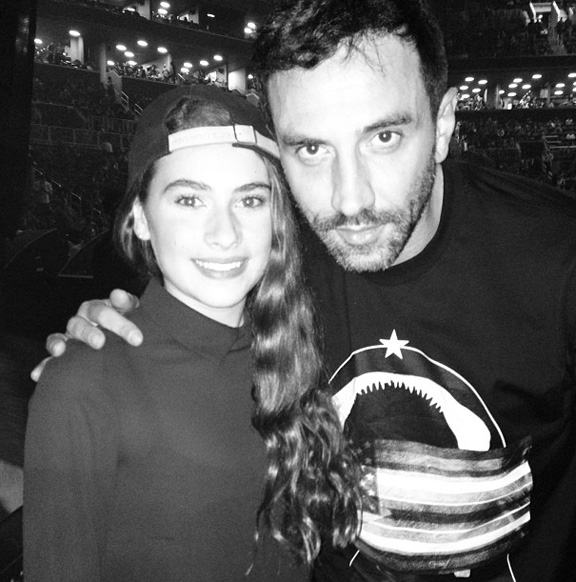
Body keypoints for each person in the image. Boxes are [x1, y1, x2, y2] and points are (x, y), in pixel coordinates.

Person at [35, 1, 576, 581]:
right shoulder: (277, 252)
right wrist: (99, 354)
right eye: (312, 149)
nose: (350, 199)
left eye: (384, 136)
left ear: (443, 125)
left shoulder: (557, 260)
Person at [24, 85, 359, 582]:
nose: (224, 234)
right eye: (189, 199)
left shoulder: (297, 349)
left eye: (250, 200)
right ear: (140, 218)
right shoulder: (83, 383)